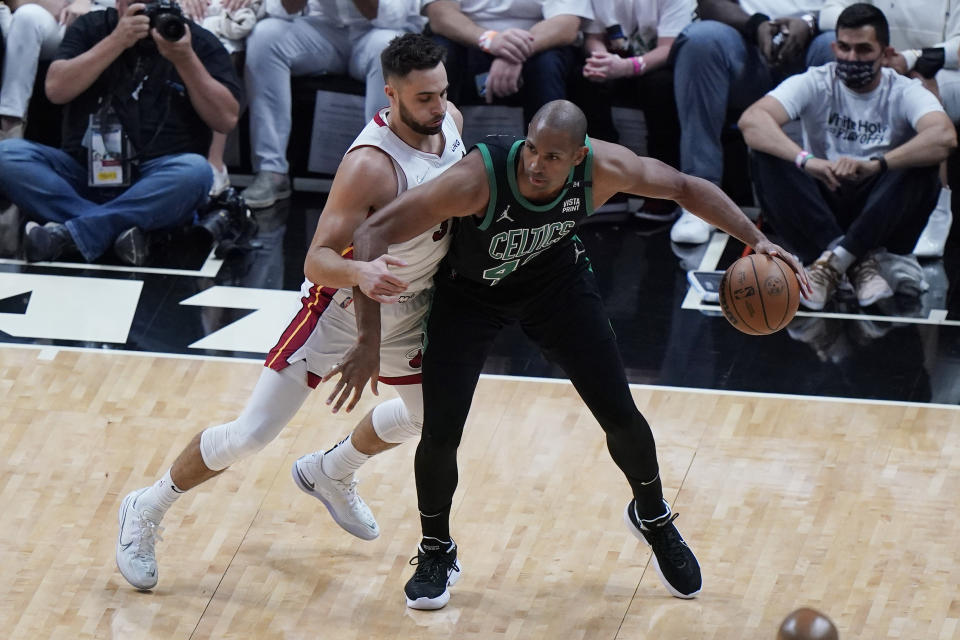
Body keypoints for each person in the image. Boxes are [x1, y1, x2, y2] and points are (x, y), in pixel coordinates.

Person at [341, 99, 809, 610]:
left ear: (579, 157)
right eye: (533, 151)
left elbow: (685, 187)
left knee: (620, 414)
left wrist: (759, 241)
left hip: (554, 284)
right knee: (441, 432)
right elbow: (371, 232)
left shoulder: (606, 168)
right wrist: (367, 339)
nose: (538, 165)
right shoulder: (477, 178)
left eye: (554, 157)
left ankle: (653, 517)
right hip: (470, 294)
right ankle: (435, 550)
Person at [114, 33, 466, 591]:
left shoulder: (449, 123)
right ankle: (146, 506)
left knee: (431, 419)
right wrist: (361, 273)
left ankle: (332, 470)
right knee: (251, 435)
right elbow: (317, 259)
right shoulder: (369, 166)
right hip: (341, 311)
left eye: (442, 93)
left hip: (411, 309)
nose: (438, 107)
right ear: (390, 93)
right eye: (424, 98)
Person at [738, 3, 956, 311]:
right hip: (825, 198)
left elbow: (944, 137)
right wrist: (807, 161)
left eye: (863, 50)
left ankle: (834, 262)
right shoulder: (816, 80)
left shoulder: (904, 89)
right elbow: (752, 120)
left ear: (885, 53)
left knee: (924, 160)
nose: (851, 58)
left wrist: (877, 164)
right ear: (833, 46)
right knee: (767, 152)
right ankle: (855, 261)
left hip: (880, 205)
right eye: (844, 47)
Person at [0, 0, 242, 266]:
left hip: (155, 178)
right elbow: (56, 89)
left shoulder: (193, 40)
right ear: (118, 2)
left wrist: (185, 59)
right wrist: (116, 42)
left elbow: (226, 119)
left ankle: (70, 233)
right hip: (83, 172)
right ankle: (121, 230)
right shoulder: (91, 27)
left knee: (196, 171)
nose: (147, 13)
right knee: (7, 155)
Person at [668, 0, 836, 245]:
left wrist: (810, 22)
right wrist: (755, 25)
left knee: (835, 45)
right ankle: (699, 197)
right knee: (701, 40)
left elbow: (856, 11)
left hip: (813, 45)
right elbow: (709, 5)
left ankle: (833, 197)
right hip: (746, 45)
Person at [239, 0, 423, 209]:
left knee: (388, 48)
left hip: (379, 32)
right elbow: (279, 10)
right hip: (324, 30)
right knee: (265, 36)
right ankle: (271, 171)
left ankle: (384, 177)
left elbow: (391, 17)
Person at [820, 0, 960, 257]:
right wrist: (868, 39)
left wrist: (911, 58)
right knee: (835, 52)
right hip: (880, 56)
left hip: (944, 69)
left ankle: (939, 208)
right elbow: (828, 13)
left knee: (923, 88)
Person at [575, 0, 694, 220]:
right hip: (617, 59)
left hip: (658, 63)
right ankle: (605, 184)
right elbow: (593, 38)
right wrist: (602, 60)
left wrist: (628, 67)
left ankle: (663, 191)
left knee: (659, 86)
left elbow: (669, 48)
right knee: (584, 79)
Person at [422, 0, 594, 127]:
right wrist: (490, 41)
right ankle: (433, 156)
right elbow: (440, 14)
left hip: (539, 46)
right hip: (469, 42)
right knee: (438, 57)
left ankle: (550, 160)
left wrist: (513, 51)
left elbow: (567, 23)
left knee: (547, 65)